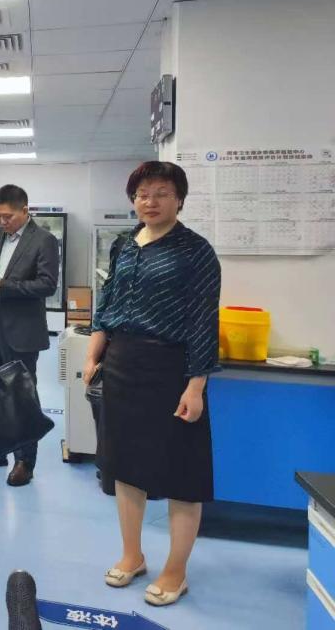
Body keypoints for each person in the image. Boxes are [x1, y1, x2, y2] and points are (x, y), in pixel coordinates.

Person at [82, 161, 220, 608]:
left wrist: (196, 386)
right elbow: (108, 305)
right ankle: (132, 555)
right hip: (122, 364)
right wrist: (93, 354)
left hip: (172, 369)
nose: (151, 201)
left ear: (179, 199)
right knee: (124, 466)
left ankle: (176, 571)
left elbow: (203, 321)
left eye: (161, 193)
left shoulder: (195, 251)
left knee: (183, 473)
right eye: (143, 194)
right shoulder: (124, 245)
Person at [0, 184, 60, 487]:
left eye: (8, 216)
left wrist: (3, 286)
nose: (2, 222)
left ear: (25, 211)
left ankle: (25, 460)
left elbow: (47, 285)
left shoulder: (44, 240)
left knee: (22, 393)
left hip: (22, 327)